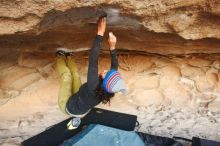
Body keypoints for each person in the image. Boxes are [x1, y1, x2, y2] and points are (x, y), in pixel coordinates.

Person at [56, 16, 127, 119]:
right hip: (80, 100)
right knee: (75, 75)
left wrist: (100, 33)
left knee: (67, 76)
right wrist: (112, 46)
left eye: (106, 73)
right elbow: (114, 66)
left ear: (103, 79)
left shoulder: (93, 86)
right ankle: (69, 57)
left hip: (68, 107)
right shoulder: (107, 89)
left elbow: (93, 60)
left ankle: (60, 57)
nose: (106, 70)